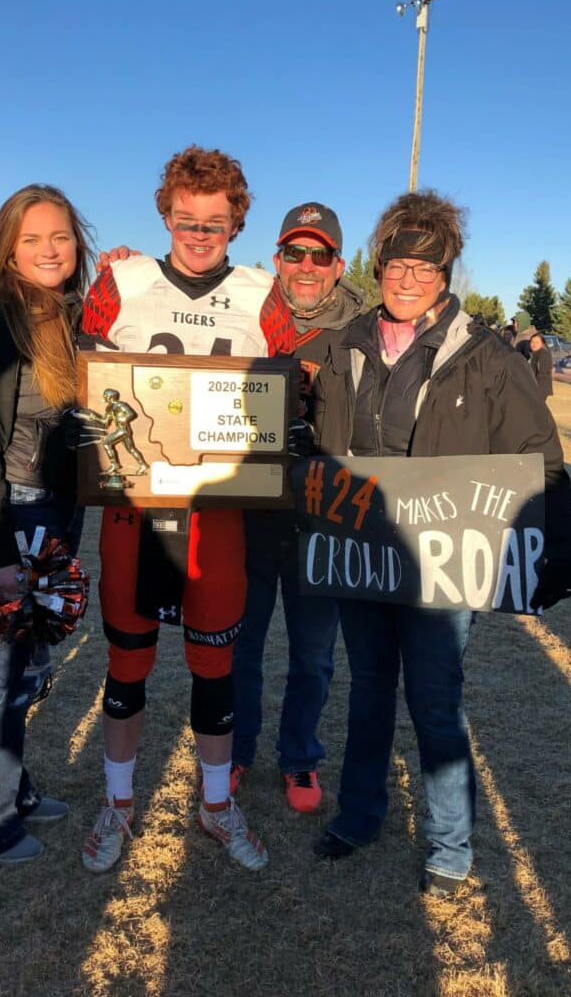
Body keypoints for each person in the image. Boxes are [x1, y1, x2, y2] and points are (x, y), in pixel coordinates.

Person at [310, 189, 571, 898]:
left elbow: (538, 450)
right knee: (369, 688)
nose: (406, 280)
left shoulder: (485, 355)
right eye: (397, 265)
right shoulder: (350, 343)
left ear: (446, 275)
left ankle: (450, 844)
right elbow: (315, 435)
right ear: (379, 266)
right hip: (362, 548)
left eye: (424, 270)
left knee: (435, 697)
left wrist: (560, 541)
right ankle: (361, 813)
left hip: (442, 553)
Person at [80, 146, 295, 875]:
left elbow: (287, 394)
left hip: (216, 515)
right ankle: (117, 803)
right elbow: (84, 376)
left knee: (215, 666)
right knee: (127, 663)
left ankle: (213, 804)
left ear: (236, 222)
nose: (199, 234)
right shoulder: (121, 279)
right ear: (164, 213)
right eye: (185, 219)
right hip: (134, 510)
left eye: (215, 221)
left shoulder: (264, 296)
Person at [0, 184, 93, 865]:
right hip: (14, 518)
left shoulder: (64, 318)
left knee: (29, 667)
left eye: (59, 236)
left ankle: (14, 790)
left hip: (56, 513)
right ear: (6, 248)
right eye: (31, 239)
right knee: (1, 671)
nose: (48, 250)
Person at [230, 203, 363, 813]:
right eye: (294, 253)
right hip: (253, 510)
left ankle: (301, 758)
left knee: (313, 655)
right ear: (277, 258)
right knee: (243, 644)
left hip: (323, 515)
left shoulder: (367, 329)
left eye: (320, 255)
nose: (306, 267)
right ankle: (235, 751)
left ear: (338, 264)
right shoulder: (250, 311)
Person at [528, 332, 553, 401]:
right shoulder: (533, 353)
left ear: (542, 343)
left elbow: (543, 373)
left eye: (537, 342)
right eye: (532, 342)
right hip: (533, 387)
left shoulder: (543, 354)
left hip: (540, 388)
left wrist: (534, 387)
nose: (534, 344)